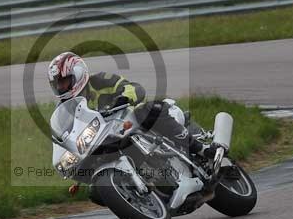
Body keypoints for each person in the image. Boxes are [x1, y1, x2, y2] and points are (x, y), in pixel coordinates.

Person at [47, 51, 205, 156]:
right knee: (94, 192)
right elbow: (64, 134)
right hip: (105, 139)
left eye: (64, 82)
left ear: (78, 73)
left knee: (146, 110)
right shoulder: (64, 108)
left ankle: (199, 148)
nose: (61, 87)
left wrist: (124, 97)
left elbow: (133, 87)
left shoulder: (101, 80)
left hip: (129, 123)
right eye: (58, 85)